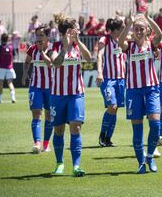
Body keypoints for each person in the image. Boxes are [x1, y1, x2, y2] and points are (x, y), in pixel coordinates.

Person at [118, 11, 162, 174]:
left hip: (151, 89)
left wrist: (149, 19)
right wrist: (128, 24)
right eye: (136, 28)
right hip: (133, 91)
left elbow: (160, 34)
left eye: (141, 29)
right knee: (137, 130)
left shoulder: (151, 44)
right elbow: (120, 41)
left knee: (156, 125)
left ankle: (149, 157)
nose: (138, 31)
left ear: (147, 30)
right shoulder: (128, 46)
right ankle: (140, 163)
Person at [49, 14, 92, 177]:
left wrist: (78, 42)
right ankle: (59, 163)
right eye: (76, 27)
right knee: (58, 130)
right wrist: (65, 47)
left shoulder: (78, 46)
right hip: (57, 95)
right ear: (68, 30)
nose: (79, 29)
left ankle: (76, 166)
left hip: (76, 94)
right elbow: (56, 63)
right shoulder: (55, 46)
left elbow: (89, 57)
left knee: (76, 127)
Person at [22, 25, 53, 154]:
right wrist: (25, 73)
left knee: (49, 116)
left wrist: (42, 52)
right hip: (35, 86)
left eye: (41, 35)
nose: (39, 38)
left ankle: (46, 144)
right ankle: (37, 143)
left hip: (51, 87)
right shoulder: (32, 49)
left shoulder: (53, 49)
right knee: (36, 113)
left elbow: (51, 63)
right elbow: (27, 62)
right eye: (37, 35)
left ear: (47, 37)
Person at [95, 17, 125, 147]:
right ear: (114, 30)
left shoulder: (122, 41)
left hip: (121, 79)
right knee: (112, 107)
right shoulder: (105, 40)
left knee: (115, 108)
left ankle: (108, 138)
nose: (123, 30)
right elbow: (100, 55)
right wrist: (100, 72)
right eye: (121, 28)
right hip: (108, 80)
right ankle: (102, 135)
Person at [0, 33, 16, 104]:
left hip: (1, 68)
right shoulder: (11, 47)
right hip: (10, 68)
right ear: (8, 39)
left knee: (0, 85)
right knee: (10, 83)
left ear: (1, 39)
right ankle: (13, 98)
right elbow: (13, 56)